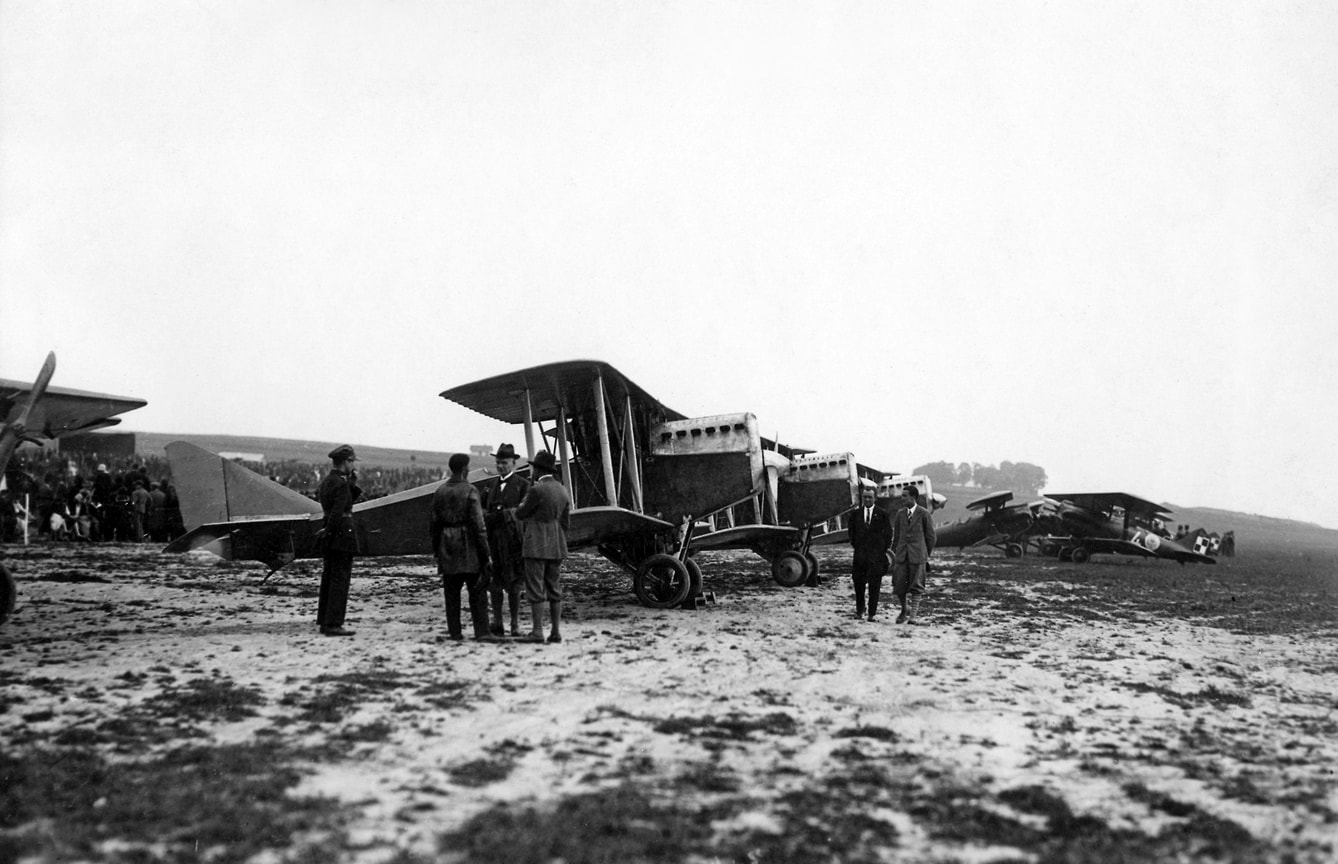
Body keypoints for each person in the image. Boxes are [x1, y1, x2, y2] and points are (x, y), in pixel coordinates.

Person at [429, 453, 493, 641]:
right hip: (468, 547)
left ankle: (454, 632)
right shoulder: (471, 490)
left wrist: (437, 550)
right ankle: (482, 632)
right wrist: (485, 553)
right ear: (465, 469)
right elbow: (479, 526)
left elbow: (433, 525)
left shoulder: (440, 491)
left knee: (451, 593)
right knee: (477, 590)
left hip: (446, 546)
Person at [515, 450, 571, 644]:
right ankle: (555, 632)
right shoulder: (563, 490)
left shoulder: (536, 490)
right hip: (556, 543)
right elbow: (565, 521)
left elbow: (520, 513)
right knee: (554, 588)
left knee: (535, 588)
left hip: (536, 543)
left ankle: (537, 631)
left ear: (538, 469)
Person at [480, 443, 531, 636]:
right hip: (493, 541)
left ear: (514, 463)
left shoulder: (523, 485)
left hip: (513, 541)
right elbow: (482, 509)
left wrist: (503, 514)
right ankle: (498, 623)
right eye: (498, 463)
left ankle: (516, 624)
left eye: (505, 463)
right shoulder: (491, 485)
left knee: (515, 583)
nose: (501, 466)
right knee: (495, 582)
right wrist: (488, 514)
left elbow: (524, 511)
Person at [316, 444, 362, 637]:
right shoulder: (341, 484)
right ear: (346, 461)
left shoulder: (328, 482)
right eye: (352, 461)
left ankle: (324, 620)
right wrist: (330, 530)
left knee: (329, 578)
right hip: (342, 534)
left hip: (331, 534)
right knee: (340, 580)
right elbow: (339, 511)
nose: (353, 465)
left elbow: (335, 505)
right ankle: (334, 624)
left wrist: (326, 531)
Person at [891, 486, 936, 625]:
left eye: (905, 496)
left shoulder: (924, 514)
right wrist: (893, 554)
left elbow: (931, 537)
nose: (902, 498)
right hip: (902, 556)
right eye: (902, 495)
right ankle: (905, 610)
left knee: (917, 586)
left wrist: (924, 554)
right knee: (899, 585)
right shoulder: (899, 514)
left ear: (913, 497)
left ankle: (913, 616)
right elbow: (896, 536)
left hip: (918, 556)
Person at [848, 486, 893, 620]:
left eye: (870, 497)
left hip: (876, 557)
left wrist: (881, 550)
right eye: (865, 497)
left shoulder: (882, 514)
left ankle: (872, 613)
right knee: (859, 585)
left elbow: (888, 534)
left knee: (875, 586)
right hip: (860, 556)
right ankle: (860, 610)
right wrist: (858, 547)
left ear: (875, 498)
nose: (867, 499)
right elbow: (851, 533)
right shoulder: (855, 514)